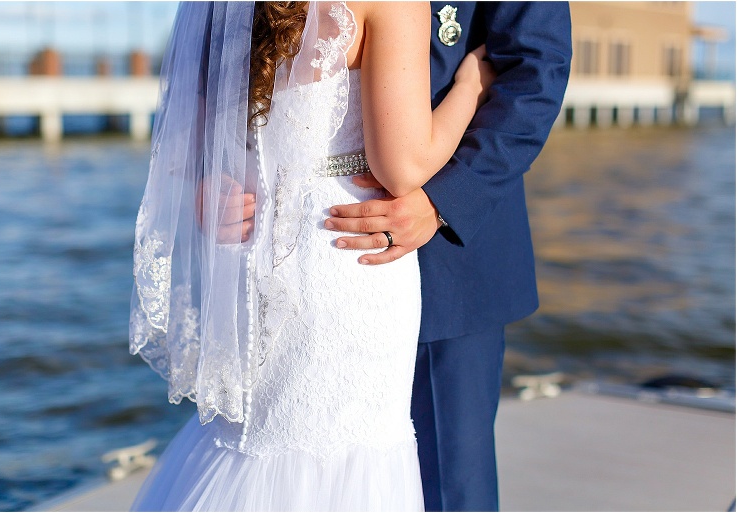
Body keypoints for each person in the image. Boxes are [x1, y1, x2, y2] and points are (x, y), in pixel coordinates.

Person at [129, 2, 495, 510]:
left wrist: (210, 185)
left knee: (259, 438)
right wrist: (469, 89)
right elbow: (403, 167)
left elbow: (195, 112)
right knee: (345, 454)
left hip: (256, 245)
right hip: (343, 253)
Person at [324, 3, 572, 511]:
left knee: (448, 487)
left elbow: (535, 69)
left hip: (447, 265)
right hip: (304, 251)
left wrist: (443, 201)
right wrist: (215, 175)